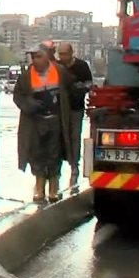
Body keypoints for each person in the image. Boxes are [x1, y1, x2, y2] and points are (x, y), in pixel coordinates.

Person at [14, 46, 75, 204]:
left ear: (47, 57)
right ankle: (39, 187)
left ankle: (53, 187)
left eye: (39, 56)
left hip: (55, 120)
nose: (36, 60)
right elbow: (18, 96)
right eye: (33, 57)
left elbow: (72, 87)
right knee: (37, 154)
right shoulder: (26, 76)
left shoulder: (60, 72)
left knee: (54, 154)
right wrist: (29, 104)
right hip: (36, 121)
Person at [55, 42, 94, 187]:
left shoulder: (81, 66)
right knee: (59, 137)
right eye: (60, 54)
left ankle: (74, 166)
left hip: (76, 108)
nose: (62, 57)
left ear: (71, 53)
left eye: (64, 54)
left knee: (74, 137)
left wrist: (80, 88)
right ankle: (57, 168)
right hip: (59, 109)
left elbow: (90, 83)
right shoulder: (57, 66)